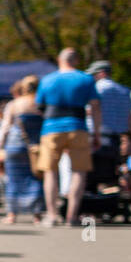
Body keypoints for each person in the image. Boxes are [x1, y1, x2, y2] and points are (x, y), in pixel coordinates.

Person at [35, 47, 101, 226]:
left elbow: (39, 106)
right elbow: (95, 107)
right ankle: (72, 216)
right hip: (78, 127)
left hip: (51, 128)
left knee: (50, 172)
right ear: (77, 60)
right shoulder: (86, 79)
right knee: (79, 172)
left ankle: (52, 215)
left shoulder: (48, 80)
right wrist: (96, 133)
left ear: (59, 59)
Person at [0, 75, 45, 225]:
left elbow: (5, 128)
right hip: (36, 147)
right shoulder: (41, 104)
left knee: (14, 180)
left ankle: (11, 215)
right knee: (36, 178)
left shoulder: (14, 104)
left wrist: (0, 148)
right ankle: (37, 215)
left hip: (14, 146)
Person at [87, 60, 131, 175]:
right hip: (119, 138)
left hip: (98, 136)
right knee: (113, 172)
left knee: (94, 173)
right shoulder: (125, 91)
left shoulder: (97, 88)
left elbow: (89, 110)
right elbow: (129, 116)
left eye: (94, 75)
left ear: (102, 73)